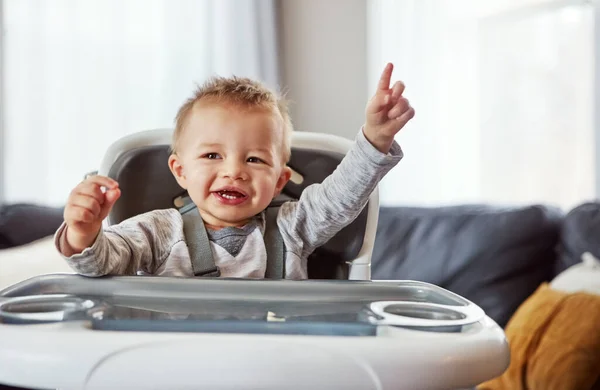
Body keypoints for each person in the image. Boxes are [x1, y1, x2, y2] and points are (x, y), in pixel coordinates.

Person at [54, 63, 415, 279]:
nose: (234, 172)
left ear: (279, 181)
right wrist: (83, 232)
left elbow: (340, 199)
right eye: (212, 155)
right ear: (180, 171)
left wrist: (375, 138)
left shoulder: (293, 228)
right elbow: (98, 266)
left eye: (255, 160)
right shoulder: (156, 231)